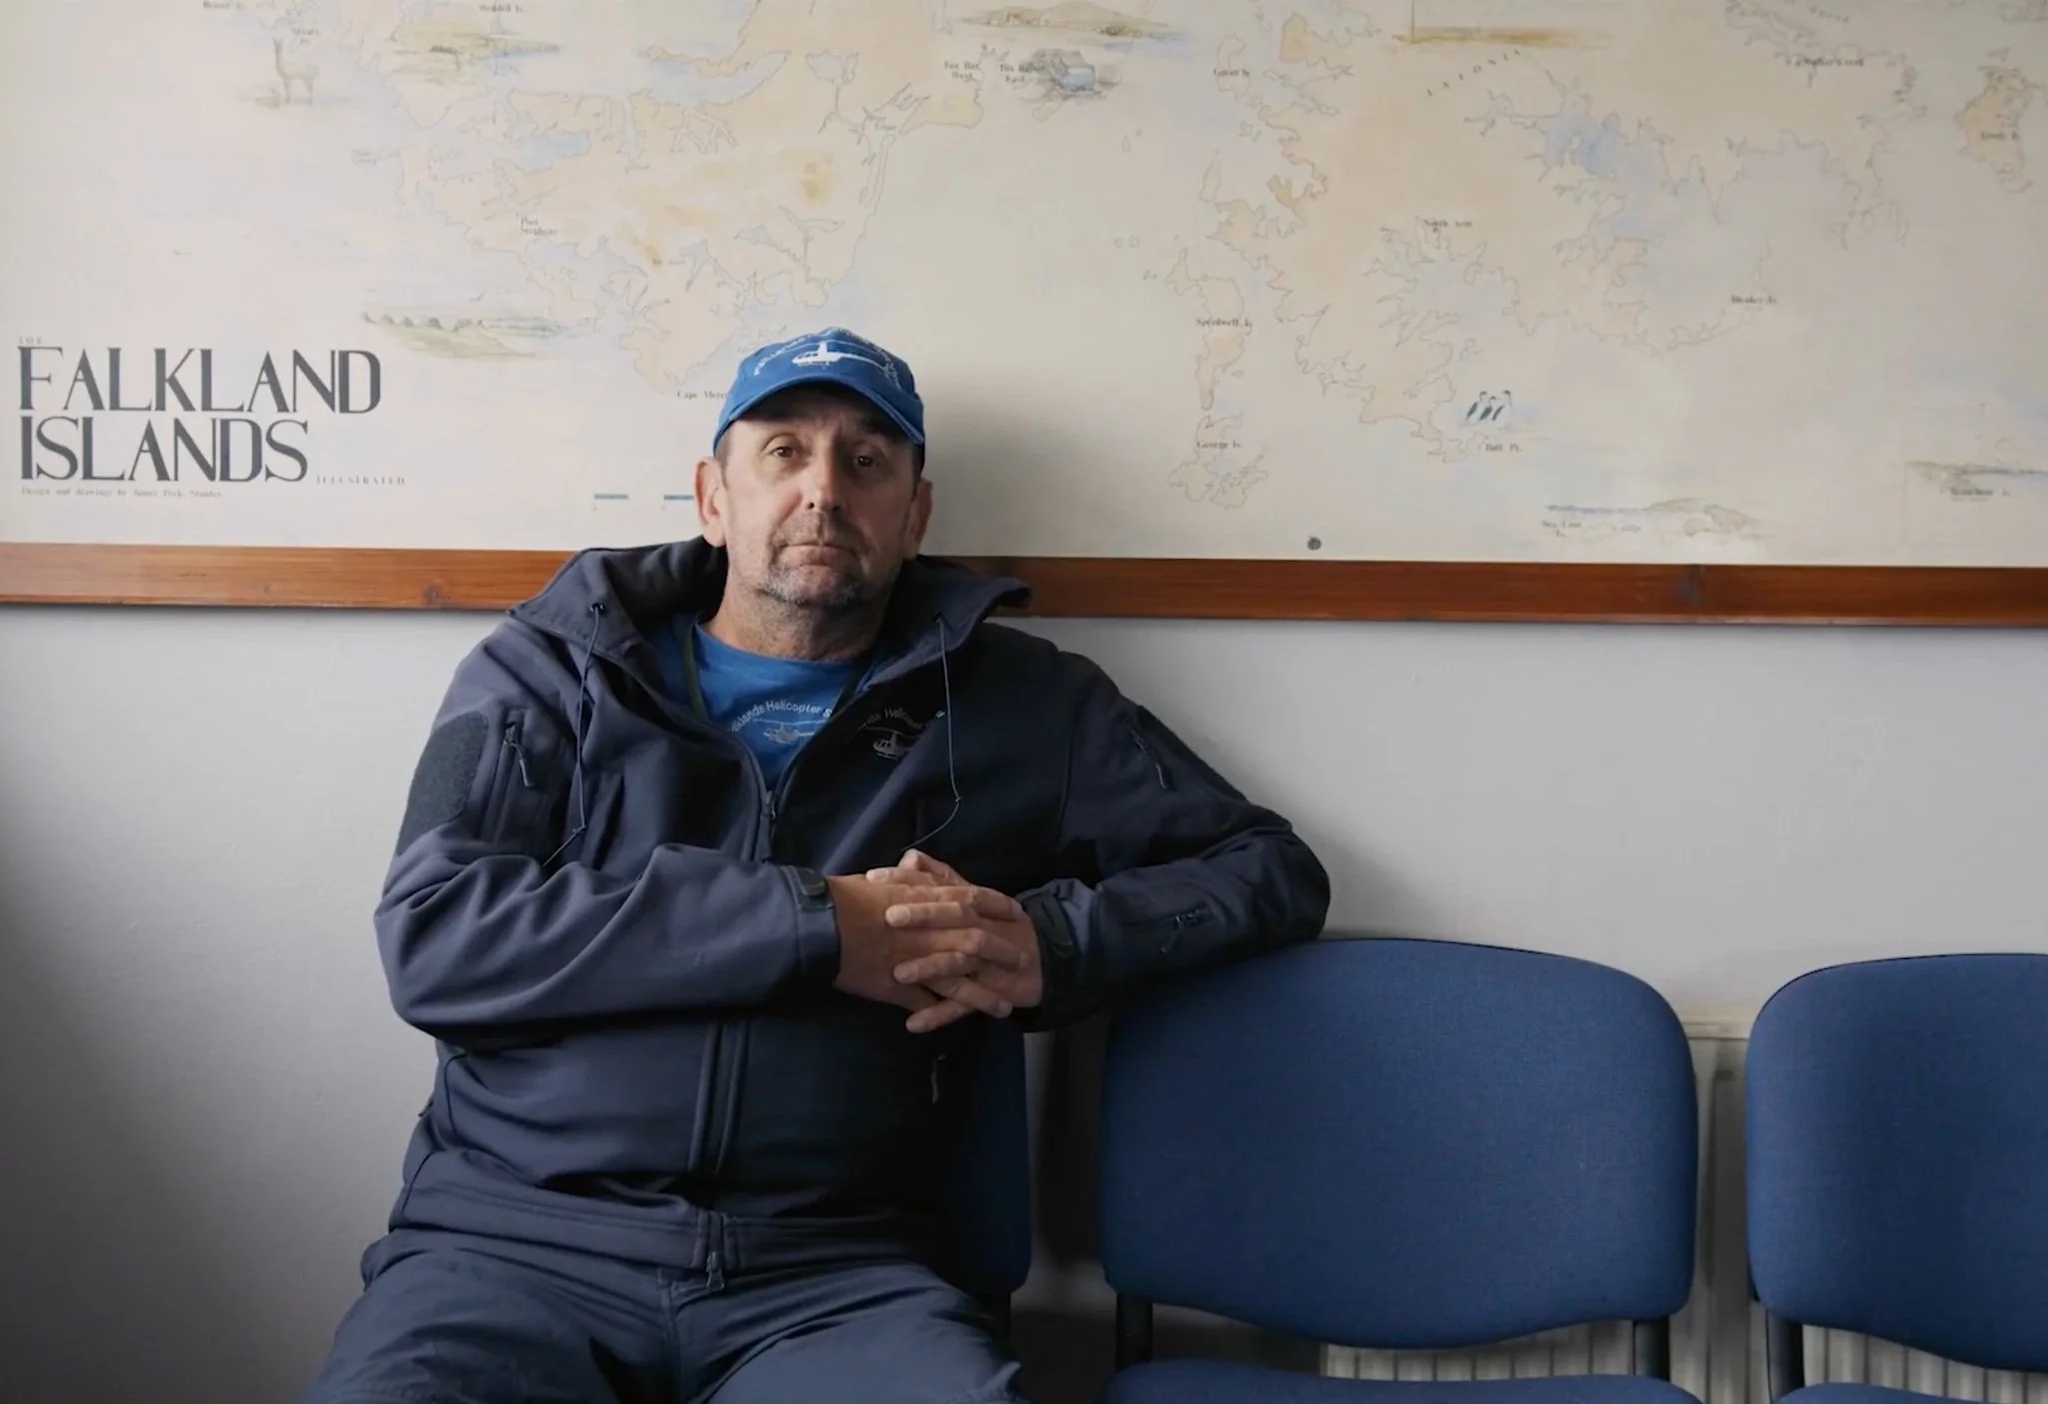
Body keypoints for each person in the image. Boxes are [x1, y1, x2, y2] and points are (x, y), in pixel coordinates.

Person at [304, 327, 1332, 1403]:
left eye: (868, 461)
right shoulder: (549, 669)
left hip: (836, 1277)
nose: (824, 491)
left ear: (915, 514)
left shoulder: (1028, 705)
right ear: (713, 497)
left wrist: (1056, 945)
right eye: (784, 453)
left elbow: (1269, 870)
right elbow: (435, 934)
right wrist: (819, 925)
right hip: (514, 1249)